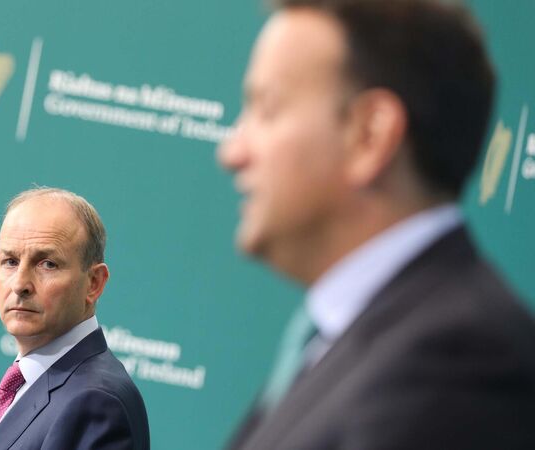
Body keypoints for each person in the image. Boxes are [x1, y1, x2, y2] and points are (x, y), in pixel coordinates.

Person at [217, 0, 535, 448]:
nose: (231, 152)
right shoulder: (352, 334)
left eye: (266, 110)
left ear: (370, 136)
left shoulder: (458, 363)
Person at [0, 187, 149, 450]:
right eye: (10, 261)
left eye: (47, 264)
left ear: (93, 283)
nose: (20, 284)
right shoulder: (28, 379)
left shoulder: (96, 403)